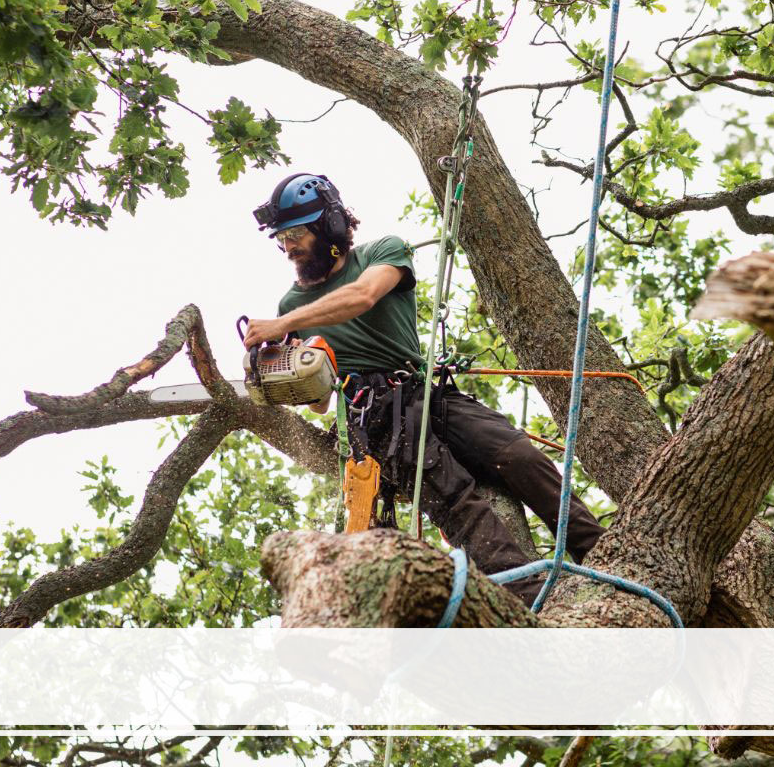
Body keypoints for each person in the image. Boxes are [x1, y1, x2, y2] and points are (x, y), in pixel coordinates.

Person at [242, 172, 606, 606]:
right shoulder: (292, 305)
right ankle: (533, 602)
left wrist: (285, 325)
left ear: (331, 226)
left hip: (424, 393)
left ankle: (602, 554)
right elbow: (321, 404)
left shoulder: (382, 253)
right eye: (282, 238)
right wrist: (288, 369)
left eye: (297, 233)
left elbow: (362, 297)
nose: (288, 247)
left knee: (518, 454)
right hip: (375, 415)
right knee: (455, 497)